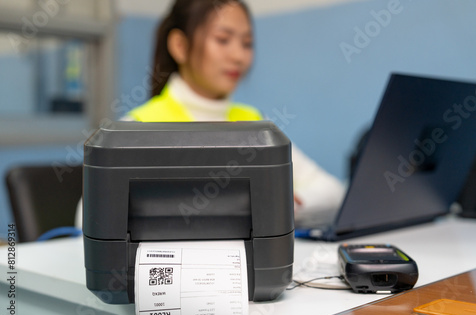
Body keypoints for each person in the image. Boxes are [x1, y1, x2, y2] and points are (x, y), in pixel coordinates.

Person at [76, 0, 344, 229]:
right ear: (180, 46)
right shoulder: (139, 126)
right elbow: (86, 217)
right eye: (223, 39)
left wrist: (290, 205)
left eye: (247, 43)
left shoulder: (253, 124)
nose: (238, 56)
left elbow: (333, 191)